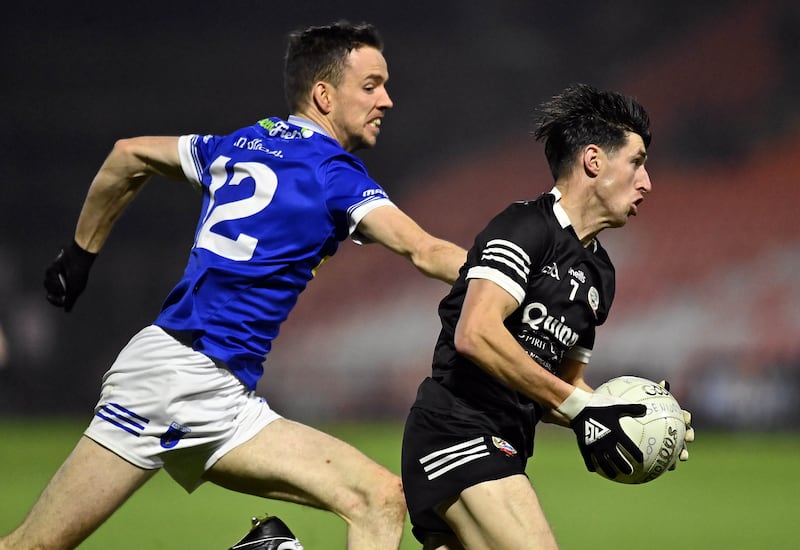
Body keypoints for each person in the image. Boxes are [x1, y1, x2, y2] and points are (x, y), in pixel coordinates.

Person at [0, 21, 467, 550]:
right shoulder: (334, 173)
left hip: (210, 389)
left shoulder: (242, 143)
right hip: (177, 382)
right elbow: (424, 249)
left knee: (377, 498)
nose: (386, 99)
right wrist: (510, 275)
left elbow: (127, 155)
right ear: (323, 95)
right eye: (370, 85)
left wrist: (80, 255)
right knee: (33, 546)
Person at [400, 83, 694, 549]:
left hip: (507, 445)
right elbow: (475, 333)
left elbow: (566, 384)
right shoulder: (525, 227)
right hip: (456, 431)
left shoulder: (600, 274)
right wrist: (584, 410)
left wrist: (639, 418)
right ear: (594, 161)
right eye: (636, 162)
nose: (647, 182)